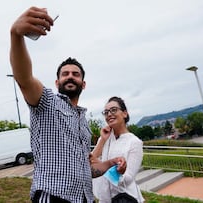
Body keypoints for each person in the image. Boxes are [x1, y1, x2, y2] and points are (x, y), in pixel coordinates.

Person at [10, 7, 126, 203]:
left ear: (83, 84)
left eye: (76, 74)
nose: (70, 76)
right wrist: (16, 35)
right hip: (53, 197)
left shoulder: (84, 122)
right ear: (57, 83)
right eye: (65, 74)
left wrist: (110, 163)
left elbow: (86, 170)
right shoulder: (46, 102)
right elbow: (24, 78)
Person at [92, 96, 144, 203]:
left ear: (124, 113)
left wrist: (104, 168)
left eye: (114, 110)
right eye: (106, 112)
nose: (109, 114)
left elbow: (128, 178)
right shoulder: (104, 138)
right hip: (104, 199)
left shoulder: (134, 142)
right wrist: (102, 140)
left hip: (125, 199)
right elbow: (91, 160)